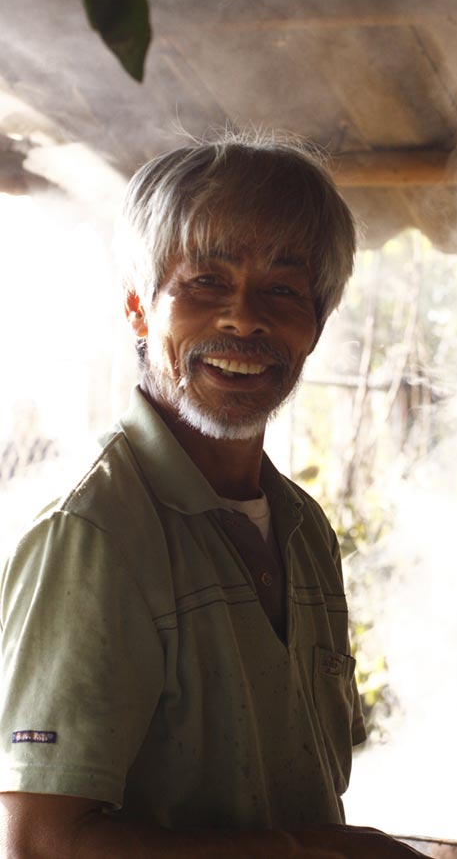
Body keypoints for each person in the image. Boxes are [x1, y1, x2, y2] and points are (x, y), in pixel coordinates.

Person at [0, 135, 423, 859]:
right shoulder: (96, 531)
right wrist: (312, 854)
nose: (243, 318)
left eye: (283, 290)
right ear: (138, 309)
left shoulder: (303, 529)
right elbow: (39, 845)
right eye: (204, 281)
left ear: (316, 326)